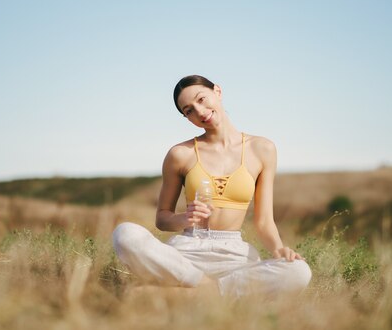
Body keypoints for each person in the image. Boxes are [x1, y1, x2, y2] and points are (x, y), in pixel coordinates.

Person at [112, 75, 312, 298]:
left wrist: (278, 250)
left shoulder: (262, 149)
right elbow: (162, 218)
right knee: (125, 234)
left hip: (235, 254)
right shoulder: (180, 154)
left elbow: (264, 220)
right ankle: (212, 291)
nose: (199, 111)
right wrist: (184, 219)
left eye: (201, 99)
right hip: (187, 252)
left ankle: (187, 295)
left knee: (298, 272)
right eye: (188, 111)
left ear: (217, 91)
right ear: (187, 118)